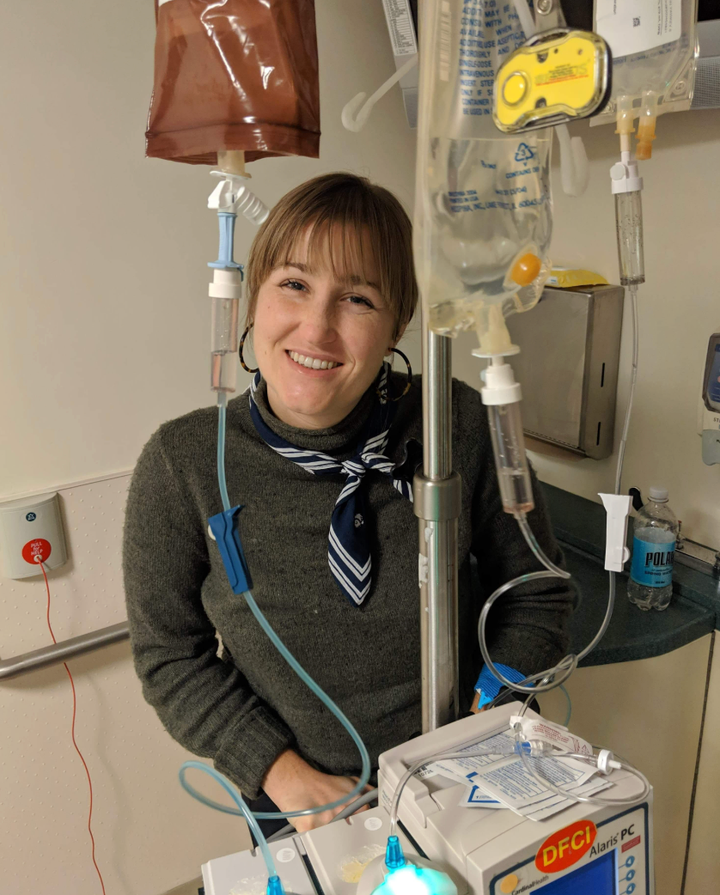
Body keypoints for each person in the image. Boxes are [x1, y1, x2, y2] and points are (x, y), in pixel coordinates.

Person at [123, 172, 574, 839]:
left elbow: (538, 590)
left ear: (397, 326)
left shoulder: (453, 425)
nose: (317, 328)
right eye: (293, 285)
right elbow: (169, 655)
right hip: (301, 804)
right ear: (251, 299)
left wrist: (492, 713)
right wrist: (282, 775)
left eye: (358, 299)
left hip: (466, 773)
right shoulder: (185, 462)